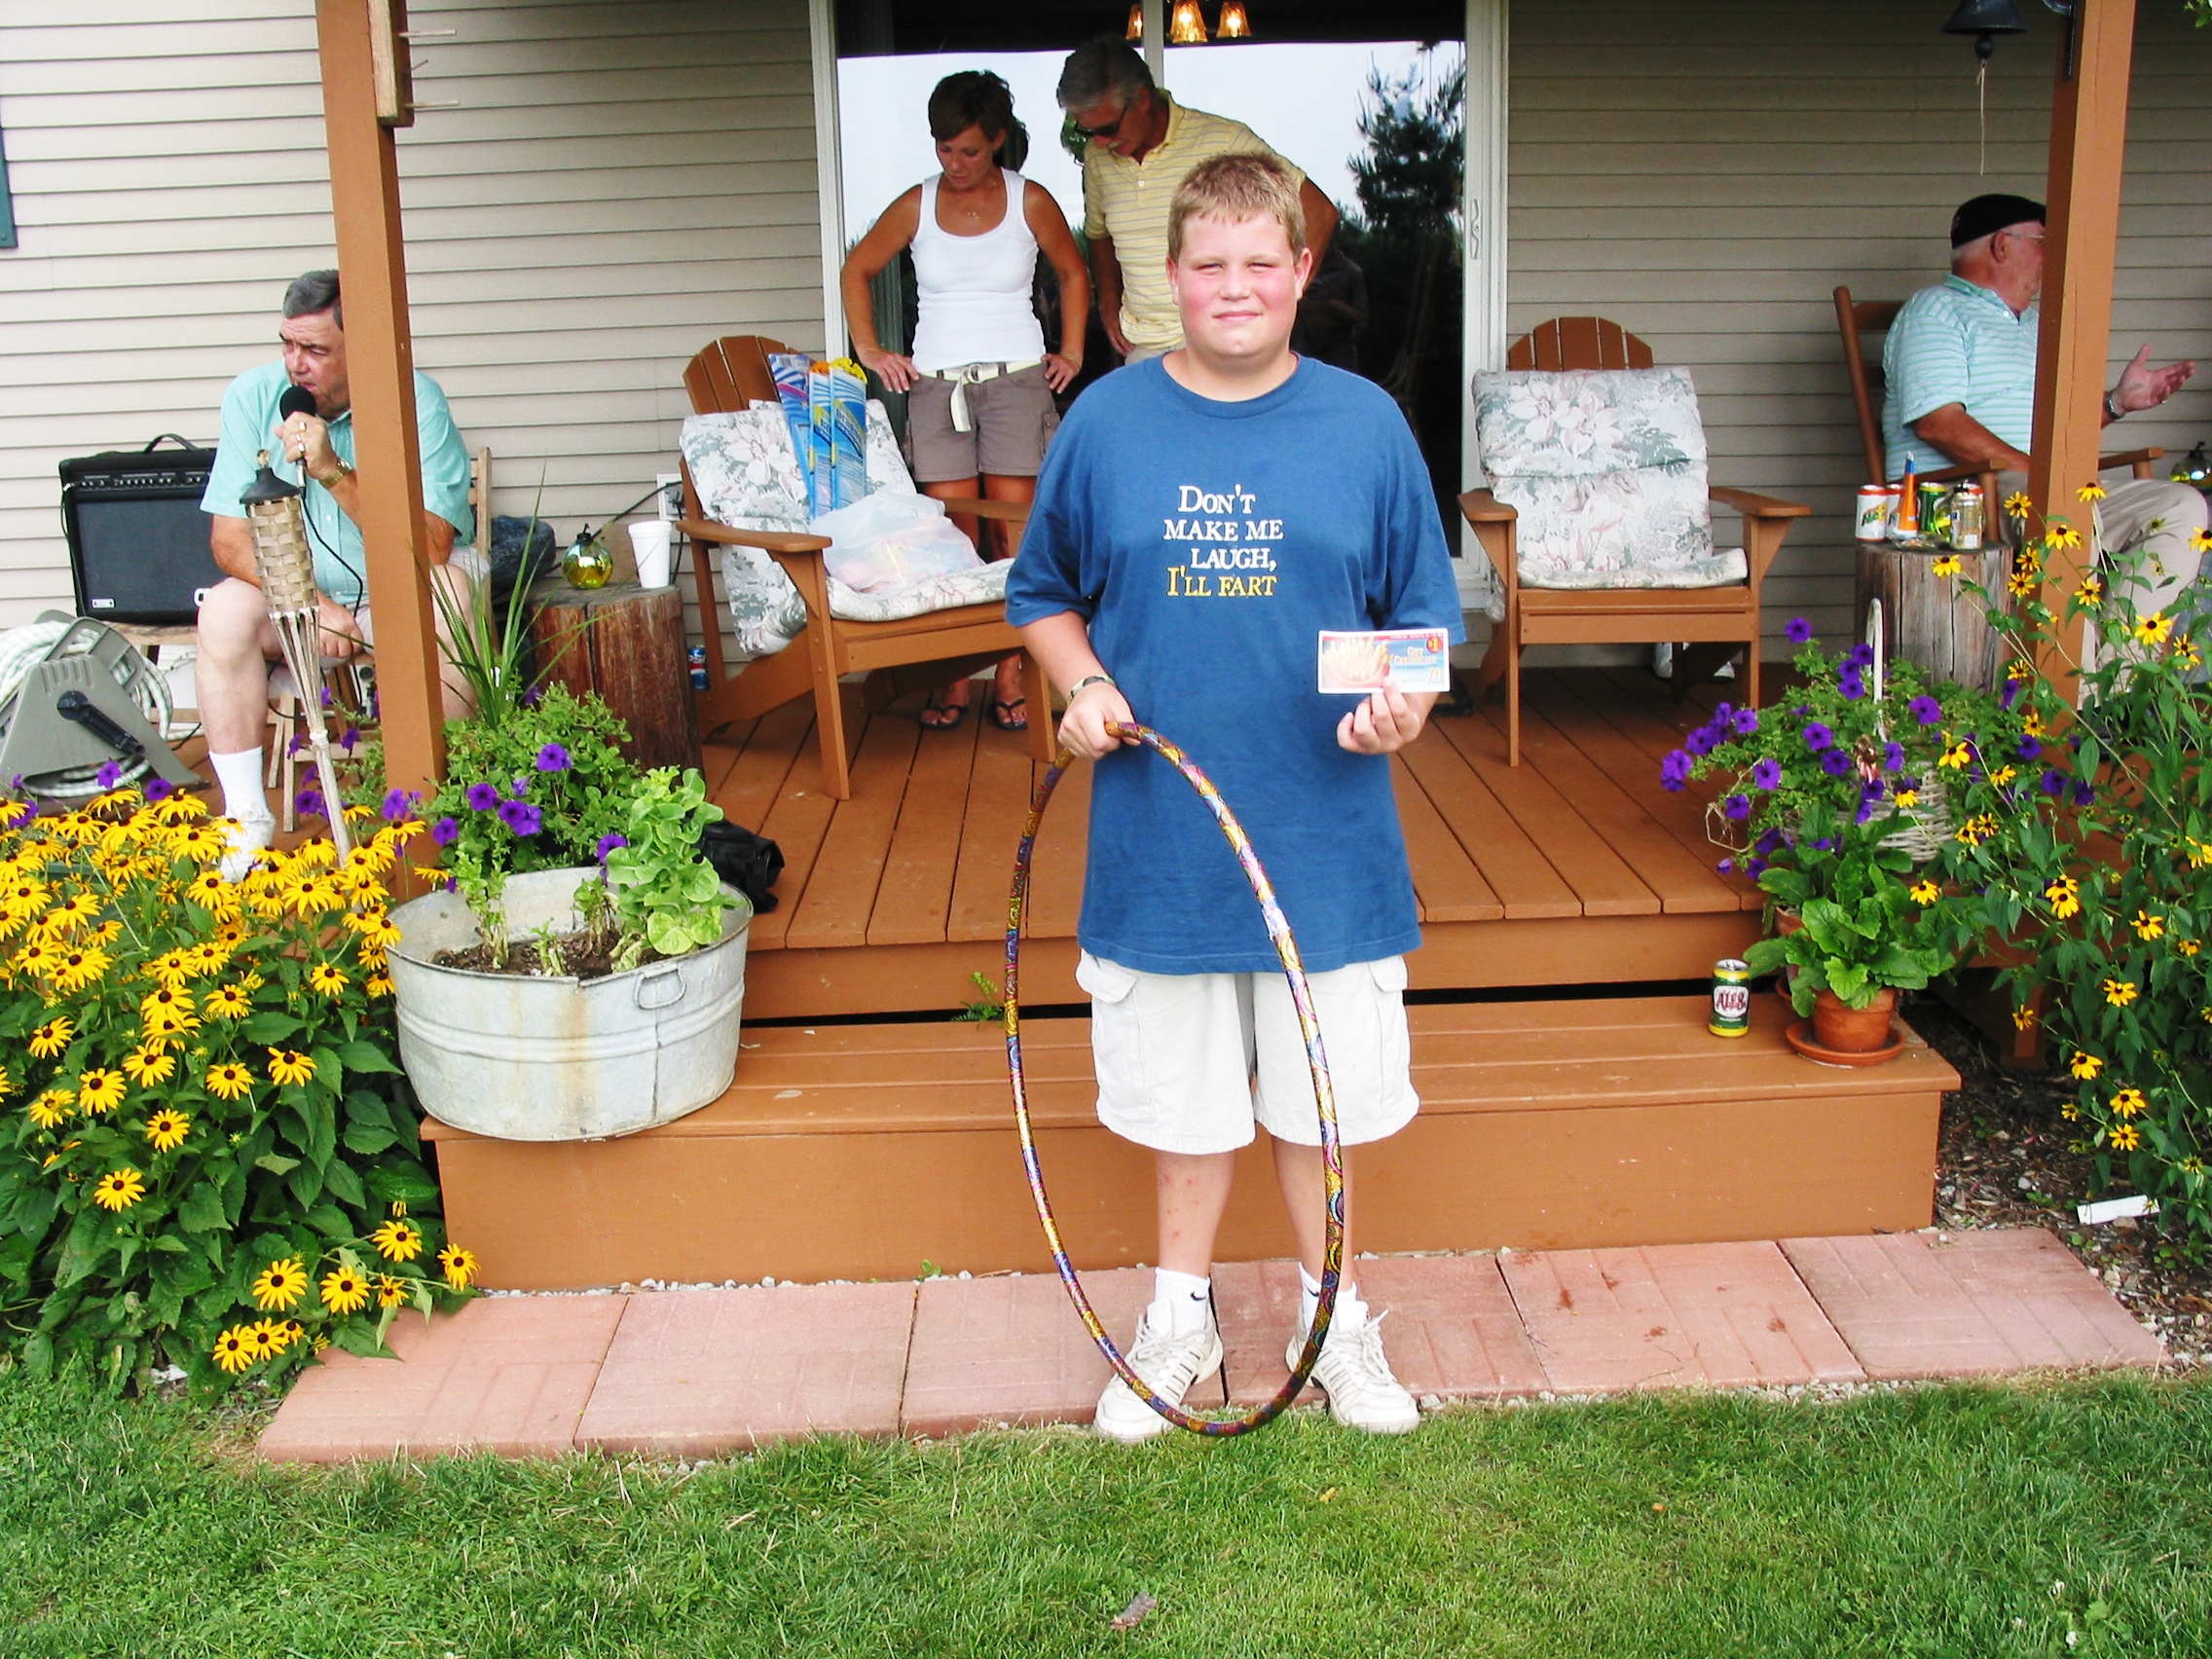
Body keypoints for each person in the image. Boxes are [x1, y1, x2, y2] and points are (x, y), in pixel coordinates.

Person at [1006, 153, 1461, 1440]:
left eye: (1263, 261)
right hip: (1162, 839)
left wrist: (1403, 707)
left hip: (1328, 836)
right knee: (1183, 1101)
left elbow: (1421, 622)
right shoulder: (1108, 423)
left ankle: (1335, 1323)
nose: (1237, 286)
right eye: (1210, 264)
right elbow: (1042, 594)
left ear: (1302, 272)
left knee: (1323, 1105)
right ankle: (1180, 1317)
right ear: (1171, 276)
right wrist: (1084, 685)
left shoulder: (1366, 425)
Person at [198, 269, 479, 874]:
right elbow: (228, 542)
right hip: (296, 605)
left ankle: (453, 803)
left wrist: (332, 471)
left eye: (316, 350)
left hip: (393, 598)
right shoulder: (252, 397)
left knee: (451, 591)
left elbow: (433, 544)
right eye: (287, 344)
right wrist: (310, 602)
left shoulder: (415, 400)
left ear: (363, 347)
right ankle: (245, 821)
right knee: (221, 609)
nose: (295, 364)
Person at [841, 71, 1090, 732]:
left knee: (1013, 537)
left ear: (998, 140)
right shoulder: (916, 204)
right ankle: (955, 675)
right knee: (950, 539)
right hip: (936, 386)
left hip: (1016, 383)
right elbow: (857, 269)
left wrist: (1071, 350)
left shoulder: (1029, 200)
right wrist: (872, 350)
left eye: (970, 150)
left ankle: (1011, 673)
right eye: (945, 148)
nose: (955, 163)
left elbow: (1073, 272)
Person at [1882, 192, 2205, 613]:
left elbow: (2057, 429)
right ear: (2002, 245)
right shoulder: (1935, 310)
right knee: (2067, 515)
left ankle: (2119, 655)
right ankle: (2071, 655)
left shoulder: (2038, 325)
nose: (2051, 258)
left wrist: (2115, 404)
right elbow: (1938, 424)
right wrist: (2043, 477)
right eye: (2043, 243)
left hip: (2041, 490)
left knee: (2180, 506)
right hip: (1964, 493)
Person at [1054, 36, 1338, 365]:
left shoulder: (1224, 139)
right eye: (1089, 132)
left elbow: (1319, 212)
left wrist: (1282, 297)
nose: (1101, 143)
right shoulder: (1098, 158)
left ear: (1142, 100)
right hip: (1143, 349)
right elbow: (1098, 233)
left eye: (1108, 128)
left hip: (1221, 345)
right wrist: (1107, 298)